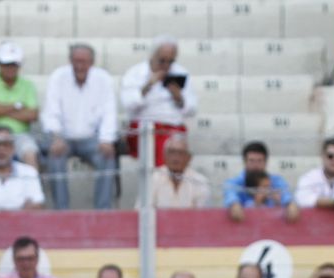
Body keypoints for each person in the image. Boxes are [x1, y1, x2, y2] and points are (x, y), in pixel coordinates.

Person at [41, 43, 117, 211]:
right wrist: (56, 137)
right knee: (54, 157)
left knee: (107, 157)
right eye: (76, 61)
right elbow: (51, 112)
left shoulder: (103, 79)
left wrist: (106, 140)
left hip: (92, 138)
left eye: (84, 61)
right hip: (63, 137)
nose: (80, 66)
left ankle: (102, 211)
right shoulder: (58, 77)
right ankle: (62, 211)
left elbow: (109, 113)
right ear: (70, 61)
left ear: (92, 62)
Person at [119, 35, 195, 166]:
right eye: (162, 61)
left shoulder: (181, 73)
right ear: (152, 56)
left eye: (171, 62)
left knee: (178, 150)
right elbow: (128, 104)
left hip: (173, 128)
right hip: (144, 127)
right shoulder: (135, 73)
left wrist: (178, 97)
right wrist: (148, 86)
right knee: (165, 151)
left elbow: (192, 108)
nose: (166, 66)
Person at [0, 41, 39, 167]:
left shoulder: (28, 85)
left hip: (19, 135)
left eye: (14, 64)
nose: (10, 68)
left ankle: (31, 187)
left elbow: (33, 115)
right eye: (6, 64)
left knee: (30, 154)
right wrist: (16, 107)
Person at [224, 140, 298, 223]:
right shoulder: (233, 183)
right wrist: (234, 205)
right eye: (251, 161)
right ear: (244, 162)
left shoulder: (277, 181)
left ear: (266, 162)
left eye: (259, 161)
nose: (255, 165)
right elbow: (231, 197)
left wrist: (290, 204)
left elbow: (286, 196)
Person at [148, 132, 211, 209]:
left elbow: (202, 217)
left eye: (180, 153)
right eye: (171, 152)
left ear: (189, 158)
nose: (175, 158)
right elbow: (142, 212)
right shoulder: (152, 178)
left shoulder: (200, 182)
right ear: (164, 155)